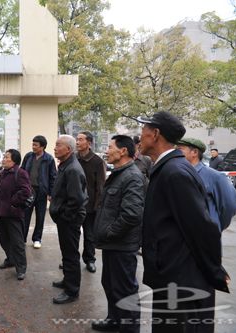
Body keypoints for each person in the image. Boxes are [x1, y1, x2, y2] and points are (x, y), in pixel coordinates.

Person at [136, 111, 229, 333]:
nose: (140, 136)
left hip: (180, 280)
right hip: (171, 275)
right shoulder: (166, 167)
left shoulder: (174, 172)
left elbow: (201, 227)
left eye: (143, 131)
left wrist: (215, 270)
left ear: (156, 134)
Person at [92, 135, 145, 333]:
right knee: (111, 285)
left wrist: (109, 232)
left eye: (110, 147)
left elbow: (131, 214)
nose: (107, 151)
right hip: (112, 244)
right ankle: (114, 320)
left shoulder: (132, 176)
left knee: (125, 291)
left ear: (123, 151)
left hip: (122, 245)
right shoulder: (119, 173)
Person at [49, 135, 88, 304]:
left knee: (71, 255)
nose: (55, 148)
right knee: (66, 252)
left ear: (68, 150)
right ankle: (67, 280)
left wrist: (64, 215)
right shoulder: (65, 165)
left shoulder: (72, 168)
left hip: (69, 220)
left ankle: (72, 291)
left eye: (58, 145)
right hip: (64, 218)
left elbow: (76, 200)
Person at [177, 137, 236, 231]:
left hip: (205, 236)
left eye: (180, 149)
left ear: (195, 152)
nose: (176, 153)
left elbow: (229, 207)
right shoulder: (179, 174)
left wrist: (214, 226)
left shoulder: (215, 177)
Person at [0, 149, 32, 280]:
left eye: (6, 157)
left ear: (14, 160)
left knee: (17, 241)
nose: (3, 159)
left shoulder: (20, 173)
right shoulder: (3, 173)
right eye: (3, 156)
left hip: (13, 212)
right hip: (1, 212)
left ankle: (21, 268)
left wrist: (12, 202)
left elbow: (26, 191)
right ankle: (10, 260)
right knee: (4, 239)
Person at [75, 131, 106, 273]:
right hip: (74, 204)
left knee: (89, 235)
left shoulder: (97, 161)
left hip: (90, 205)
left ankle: (90, 259)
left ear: (89, 143)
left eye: (81, 140)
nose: (77, 142)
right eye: (77, 139)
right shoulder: (73, 158)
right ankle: (71, 260)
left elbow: (100, 186)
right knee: (73, 234)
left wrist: (97, 206)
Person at [21, 135, 57, 248]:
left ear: (42, 147)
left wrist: (51, 193)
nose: (33, 147)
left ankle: (37, 239)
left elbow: (53, 177)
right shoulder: (28, 156)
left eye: (36, 145)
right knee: (25, 216)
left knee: (40, 216)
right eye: (33, 144)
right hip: (28, 191)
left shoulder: (49, 159)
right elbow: (22, 172)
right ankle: (22, 238)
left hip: (41, 192)